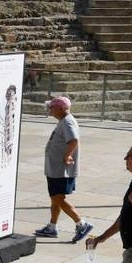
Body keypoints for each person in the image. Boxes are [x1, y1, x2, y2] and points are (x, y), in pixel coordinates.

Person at [34, 96, 93, 242]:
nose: (49, 110)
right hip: (55, 169)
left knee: (58, 198)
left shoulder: (67, 122)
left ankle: (81, 224)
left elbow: (73, 141)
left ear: (61, 108)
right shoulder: (64, 121)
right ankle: (52, 227)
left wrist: (67, 156)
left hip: (60, 170)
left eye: (52, 107)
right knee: (56, 198)